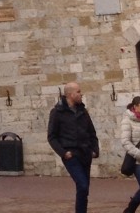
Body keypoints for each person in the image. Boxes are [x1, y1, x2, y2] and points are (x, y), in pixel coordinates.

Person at [47, 82, 99, 213]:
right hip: (71, 155)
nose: (81, 94)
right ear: (70, 94)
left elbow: (92, 132)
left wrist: (94, 150)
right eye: (78, 92)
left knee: (84, 188)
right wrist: (63, 153)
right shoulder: (57, 112)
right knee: (82, 185)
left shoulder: (83, 111)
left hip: (86, 153)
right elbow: (52, 136)